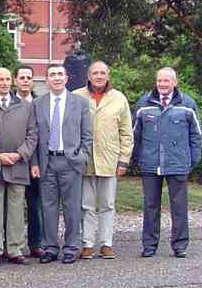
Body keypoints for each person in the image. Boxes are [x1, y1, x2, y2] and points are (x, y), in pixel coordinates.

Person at [133, 67, 202, 259]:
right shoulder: (144, 103)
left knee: (179, 206)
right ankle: (149, 245)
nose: (162, 84)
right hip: (150, 163)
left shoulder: (187, 104)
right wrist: (137, 158)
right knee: (150, 206)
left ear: (175, 82)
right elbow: (135, 134)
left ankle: (180, 245)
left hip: (178, 164)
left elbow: (196, 135)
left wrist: (191, 160)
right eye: (159, 81)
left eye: (166, 81)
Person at [29, 63, 92, 265]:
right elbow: (33, 135)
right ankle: (50, 247)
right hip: (47, 161)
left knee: (72, 207)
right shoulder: (38, 103)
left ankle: (72, 247)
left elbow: (87, 135)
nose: (56, 78)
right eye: (52, 75)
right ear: (46, 80)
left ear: (66, 78)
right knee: (48, 208)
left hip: (70, 162)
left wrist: (81, 156)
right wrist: (35, 162)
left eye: (60, 74)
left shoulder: (80, 103)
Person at [73, 61, 133, 260]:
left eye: (102, 73)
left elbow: (126, 132)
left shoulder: (119, 99)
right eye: (95, 73)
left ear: (108, 75)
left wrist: (124, 160)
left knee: (107, 204)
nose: (99, 76)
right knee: (86, 205)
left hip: (109, 159)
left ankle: (106, 243)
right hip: (85, 160)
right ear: (89, 76)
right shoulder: (77, 96)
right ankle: (87, 244)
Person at [0, 68, 37, 266]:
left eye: (7, 79)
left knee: (16, 209)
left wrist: (19, 154)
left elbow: (33, 134)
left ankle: (15, 248)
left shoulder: (25, 106)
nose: (5, 83)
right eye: (0, 79)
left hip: (18, 163)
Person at [14, 65, 43, 258]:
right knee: (13, 205)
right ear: (15, 80)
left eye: (28, 77)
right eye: (21, 77)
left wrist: (35, 162)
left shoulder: (40, 104)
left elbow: (39, 136)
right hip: (14, 160)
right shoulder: (9, 102)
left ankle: (36, 243)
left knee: (35, 204)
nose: (25, 80)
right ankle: (12, 243)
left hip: (35, 162)